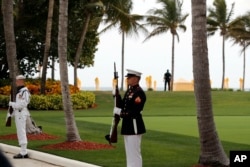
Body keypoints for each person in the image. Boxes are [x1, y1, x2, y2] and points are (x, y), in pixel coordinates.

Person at [113, 69, 146, 167]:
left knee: (134, 153)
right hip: (127, 125)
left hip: (134, 125)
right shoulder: (130, 91)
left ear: (136, 78)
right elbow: (123, 104)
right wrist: (117, 95)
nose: (127, 79)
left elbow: (134, 112)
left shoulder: (139, 93)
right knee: (129, 153)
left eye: (130, 77)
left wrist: (119, 112)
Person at [8, 75, 30, 159]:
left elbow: (22, 104)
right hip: (18, 113)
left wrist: (12, 104)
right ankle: (24, 151)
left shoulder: (24, 92)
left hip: (21, 113)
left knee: (21, 132)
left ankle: (23, 152)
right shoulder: (20, 91)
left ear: (21, 81)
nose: (16, 83)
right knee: (20, 131)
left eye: (17, 81)